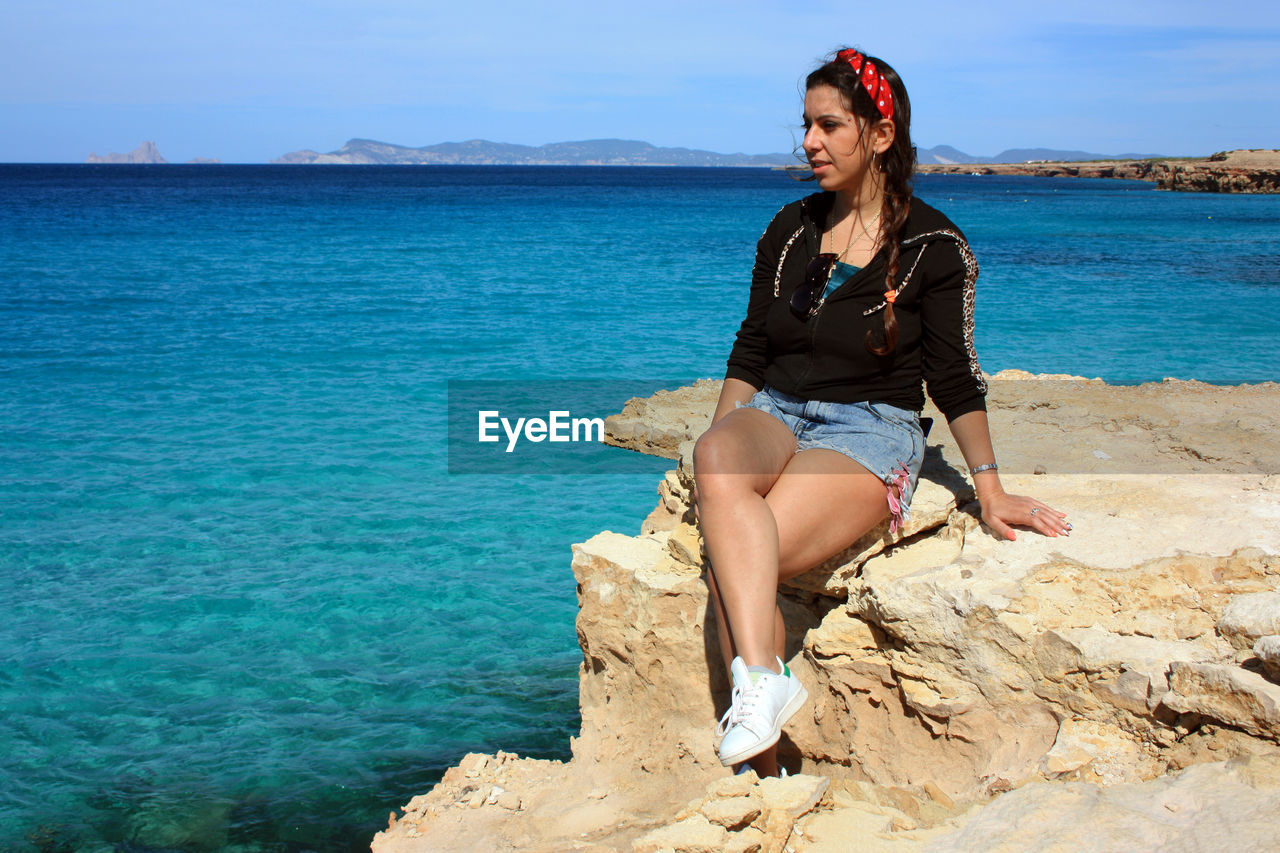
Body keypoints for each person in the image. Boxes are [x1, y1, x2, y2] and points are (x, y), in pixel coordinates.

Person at [692, 47, 1070, 777]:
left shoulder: (935, 245)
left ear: (881, 135)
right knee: (715, 460)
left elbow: (955, 377)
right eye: (806, 125)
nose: (809, 142)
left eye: (830, 126)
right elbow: (749, 349)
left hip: (870, 426)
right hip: (777, 408)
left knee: (737, 552)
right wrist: (721, 434)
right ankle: (765, 691)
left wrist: (988, 489)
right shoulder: (789, 228)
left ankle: (764, 773)